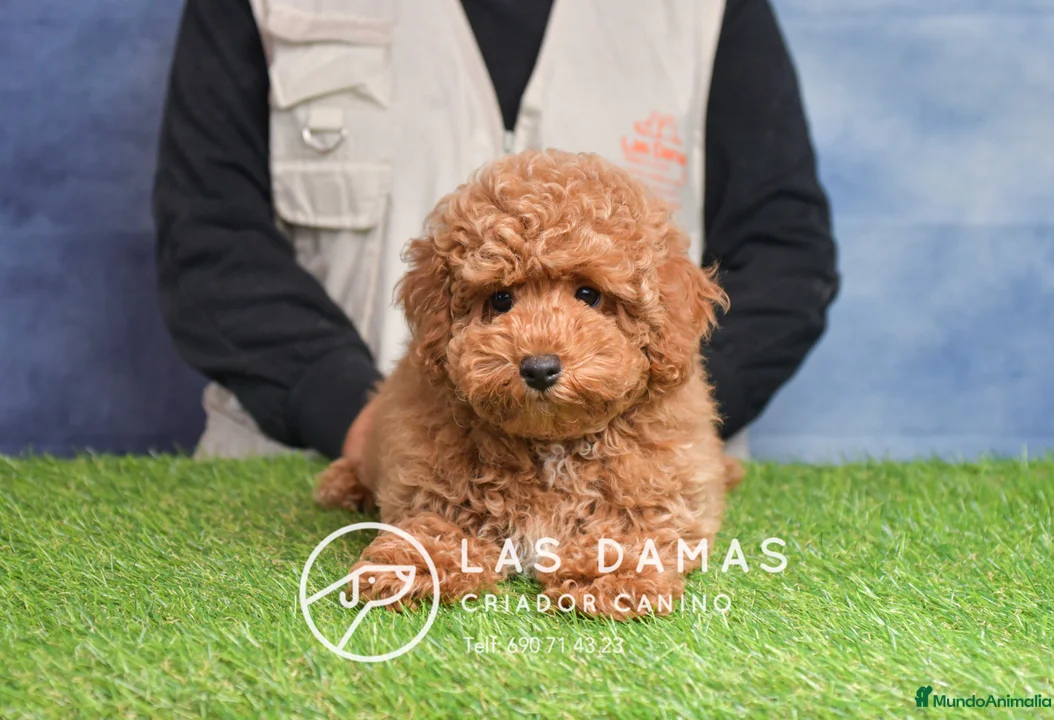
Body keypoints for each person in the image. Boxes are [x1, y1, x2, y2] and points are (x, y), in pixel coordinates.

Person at [153, 0, 838, 463]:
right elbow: (209, 236)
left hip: (635, 492)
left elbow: (785, 252)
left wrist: (647, 431)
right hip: (310, 464)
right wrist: (361, 425)